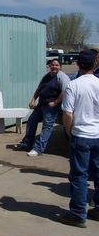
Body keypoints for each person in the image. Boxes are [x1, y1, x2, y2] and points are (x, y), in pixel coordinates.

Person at [58, 49, 99, 228]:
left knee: (79, 176)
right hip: (97, 135)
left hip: (80, 135)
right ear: (95, 64)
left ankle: (77, 213)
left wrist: (69, 131)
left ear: (78, 64)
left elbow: (67, 113)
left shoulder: (73, 85)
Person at [17, 59, 70, 156]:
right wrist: (33, 99)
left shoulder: (62, 77)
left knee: (47, 127)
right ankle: (26, 144)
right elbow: (39, 89)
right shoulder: (46, 76)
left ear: (60, 67)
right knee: (31, 121)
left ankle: (38, 149)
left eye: (56, 65)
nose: (54, 67)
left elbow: (65, 92)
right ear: (49, 66)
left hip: (51, 107)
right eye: (52, 65)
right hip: (41, 105)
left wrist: (55, 102)